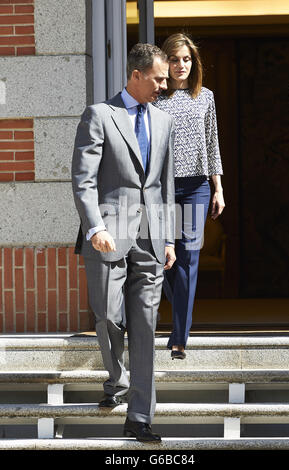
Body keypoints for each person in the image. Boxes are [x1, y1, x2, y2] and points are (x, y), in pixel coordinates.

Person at [71, 43, 176, 442]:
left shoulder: (163, 121)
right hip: (107, 236)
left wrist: (168, 240)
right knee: (108, 318)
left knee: (146, 325)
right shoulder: (100, 115)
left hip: (150, 238)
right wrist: (95, 226)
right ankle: (116, 381)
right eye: (158, 78)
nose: (164, 86)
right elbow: (84, 179)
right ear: (136, 75)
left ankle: (140, 417)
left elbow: (164, 186)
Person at [153, 33, 225, 360]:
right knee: (165, 259)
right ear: (164, 62)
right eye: (174, 59)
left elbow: (212, 146)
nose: (181, 65)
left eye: (186, 59)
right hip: (162, 188)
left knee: (189, 258)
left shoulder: (205, 97)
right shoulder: (154, 99)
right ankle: (179, 323)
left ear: (193, 62)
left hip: (197, 186)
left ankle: (179, 337)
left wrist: (218, 188)